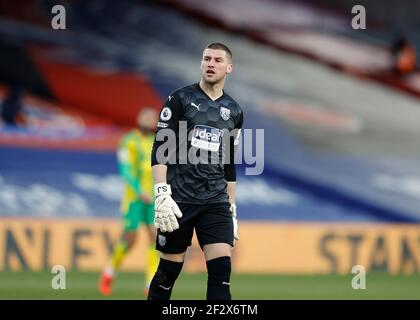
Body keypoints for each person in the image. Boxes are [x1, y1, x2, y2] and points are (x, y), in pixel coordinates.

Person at [147, 42, 243, 300]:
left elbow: (230, 162)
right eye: (207, 59)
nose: (211, 64)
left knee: (221, 274)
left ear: (229, 67)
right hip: (179, 200)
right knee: (168, 273)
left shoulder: (234, 111)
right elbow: (159, 149)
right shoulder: (180, 99)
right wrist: (161, 193)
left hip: (215, 201)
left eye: (217, 60)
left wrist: (232, 207)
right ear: (201, 64)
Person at [99, 107, 160, 297]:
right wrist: (138, 190)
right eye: (145, 116)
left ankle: (150, 284)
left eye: (152, 118)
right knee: (130, 239)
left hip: (153, 199)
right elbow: (126, 170)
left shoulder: (157, 142)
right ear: (138, 119)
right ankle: (109, 272)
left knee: (155, 237)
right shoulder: (128, 141)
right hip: (134, 199)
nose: (148, 120)